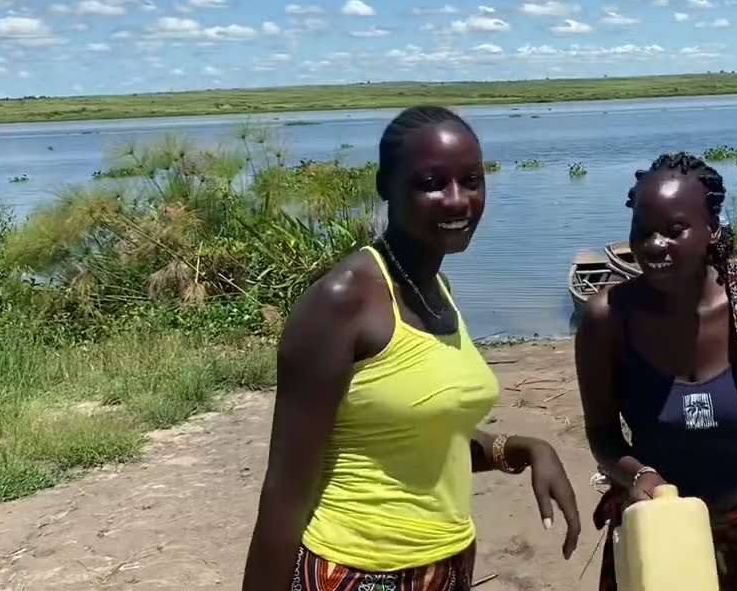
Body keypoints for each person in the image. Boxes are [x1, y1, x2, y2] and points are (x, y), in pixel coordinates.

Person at [242, 105, 581, 591]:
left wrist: (523, 448)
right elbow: (283, 492)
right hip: (356, 572)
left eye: (471, 179)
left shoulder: (435, 288)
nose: (458, 200)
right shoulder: (343, 302)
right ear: (386, 186)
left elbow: (424, 433)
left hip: (446, 565)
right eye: (431, 183)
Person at [574, 152, 737, 590]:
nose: (653, 245)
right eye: (642, 232)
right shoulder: (607, 319)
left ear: (711, 231)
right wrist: (640, 476)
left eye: (674, 230)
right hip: (660, 522)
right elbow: (602, 433)